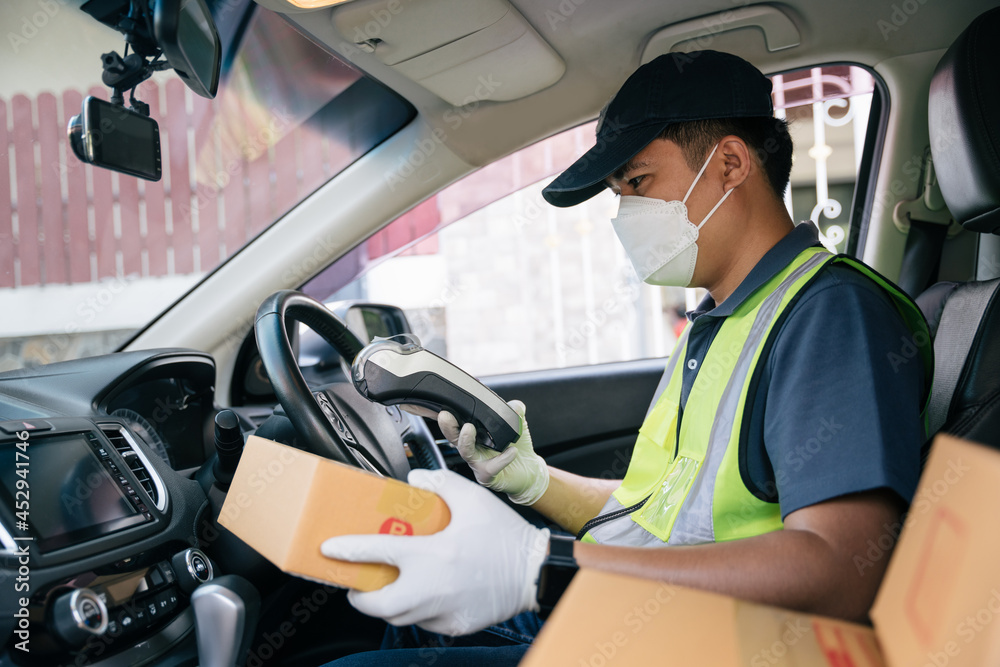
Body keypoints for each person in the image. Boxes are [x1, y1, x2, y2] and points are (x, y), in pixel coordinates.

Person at [320, 50, 932, 666]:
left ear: (730, 164)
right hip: (650, 626)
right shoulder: (721, 321)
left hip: (714, 649)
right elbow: (657, 515)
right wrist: (529, 479)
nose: (625, 216)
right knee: (401, 604)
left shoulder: (829, 314)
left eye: (637, 183)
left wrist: (538, 569)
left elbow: (841, 572)